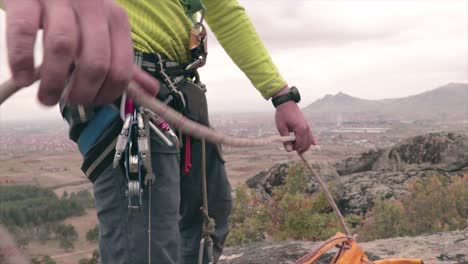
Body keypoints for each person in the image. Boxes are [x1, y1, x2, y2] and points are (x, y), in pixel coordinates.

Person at [1, 0, 315, 263]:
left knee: (209, 216)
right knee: (148, 241)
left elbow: (224, 10)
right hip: (119, 83)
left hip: (180, 87)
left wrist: (281, 95)